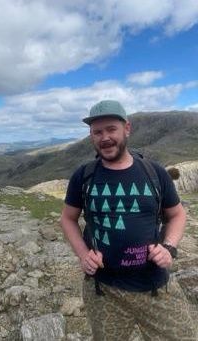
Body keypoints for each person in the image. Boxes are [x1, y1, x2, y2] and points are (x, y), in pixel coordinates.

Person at [60, 100, 197, 340]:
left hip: (155, 286)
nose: (105, 137)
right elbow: (68, 218)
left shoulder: (154, 172)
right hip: (103, 291)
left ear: (127, 129)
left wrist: (169, 248)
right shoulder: (84, 175)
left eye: (111, 129)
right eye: (97, 132)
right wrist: (83, 255)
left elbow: (176, 214)